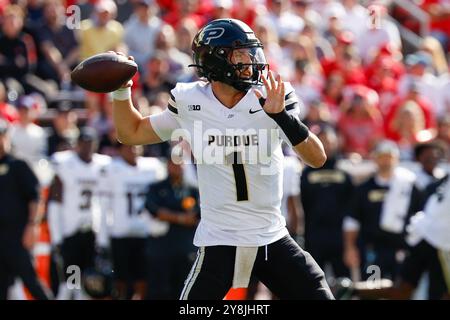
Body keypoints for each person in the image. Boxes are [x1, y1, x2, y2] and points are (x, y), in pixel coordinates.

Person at [110, 18, 331, 300]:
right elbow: (131, 133)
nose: (250, 63)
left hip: (270, 236)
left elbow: (317, 158)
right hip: (220, 240)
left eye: (251, 54)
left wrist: (282, 117)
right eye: (240, 56)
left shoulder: (272, 95)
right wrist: (121, 91)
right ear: (216, 61)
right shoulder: (191, 101)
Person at [47, 127, 110, 299]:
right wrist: (57, 236)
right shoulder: (65, 164)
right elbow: (55, 202)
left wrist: (103, 237)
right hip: (70, 232)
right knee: (69, 283)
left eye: (91, 143)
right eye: (84, 142)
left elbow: (106, 203)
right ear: (78, 144)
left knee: (88, 283)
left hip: (91, 232)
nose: (87, 146)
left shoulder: (103, 165)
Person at [97, 143, 166, 300]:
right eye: (128, 147)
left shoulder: (152, 166)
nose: (133, 150)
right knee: (120, 279)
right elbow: (103, 205)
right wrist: (102, 237)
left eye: (136, 146)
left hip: (145, 231)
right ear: (120, 150)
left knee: (143, 277)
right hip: (120, 232)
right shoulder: (111, 169)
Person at [0, 119, 51, 300]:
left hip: (17, 238)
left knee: (33, 283)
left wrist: (33, 225)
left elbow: (36, 196)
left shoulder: (18, 165)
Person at [144, 154, 200, 299]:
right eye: (174, 163)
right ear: (168, 165)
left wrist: (170, 215)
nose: (178, 167)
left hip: (186, 250)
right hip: (162, 250)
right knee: (159, 291)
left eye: (181, 163)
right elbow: (154, 210)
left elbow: (197, 215)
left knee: (184, 291)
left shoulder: (192, 190)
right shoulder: (156, 187)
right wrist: (181, 218)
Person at [300, 125, 352, 279]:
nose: (327, 145)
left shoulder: (344, 173)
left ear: (336, 143)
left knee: (344, 282)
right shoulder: (306, 173)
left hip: (339, 236)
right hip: (314, 235)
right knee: (313, 281)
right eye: (322, 142)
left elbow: (351, 206)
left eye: (329, 142)